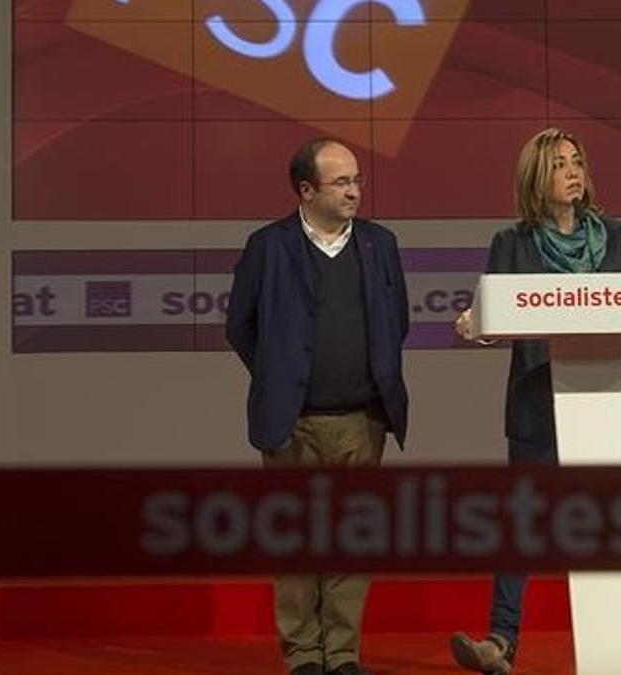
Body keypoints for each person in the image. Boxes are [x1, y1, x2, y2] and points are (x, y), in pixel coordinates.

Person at [449, 128, 621, 674]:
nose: (573, 171)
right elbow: (492, 315)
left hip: (604, 397)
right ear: (538, 177)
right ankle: (501, 642)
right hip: (538, 399)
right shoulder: (511, 245)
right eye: (560, 164)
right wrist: (478, 323)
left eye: (577, 161)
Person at [226, 138, 410, 675]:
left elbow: (395, 322)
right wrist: (281, 376)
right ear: (307, 190)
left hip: (364, 420)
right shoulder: (269, 246)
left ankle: (344, 654)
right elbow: (241, 326)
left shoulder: (381, 244)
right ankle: (304, 655)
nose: (354, 191)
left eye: (357, 181)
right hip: (294, 422)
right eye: (342, 182)